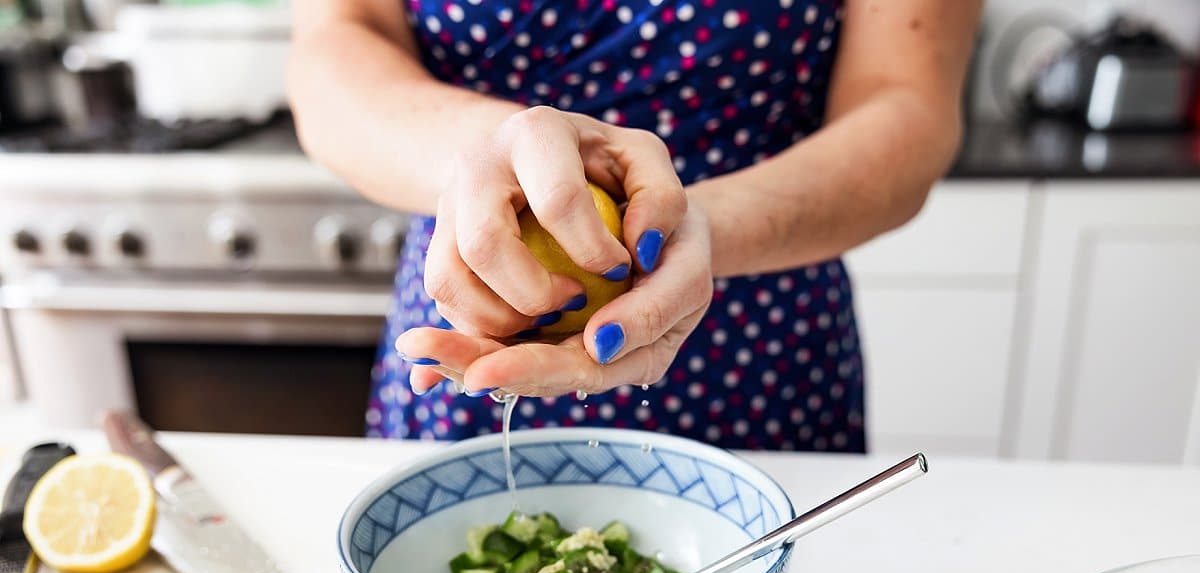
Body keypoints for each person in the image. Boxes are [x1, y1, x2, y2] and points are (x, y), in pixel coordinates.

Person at [289, 0, 980, 451]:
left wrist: (697, 224)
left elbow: (907, 103)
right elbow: (334, 49)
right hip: (482, 305)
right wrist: (491, 154)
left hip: (759, 332)